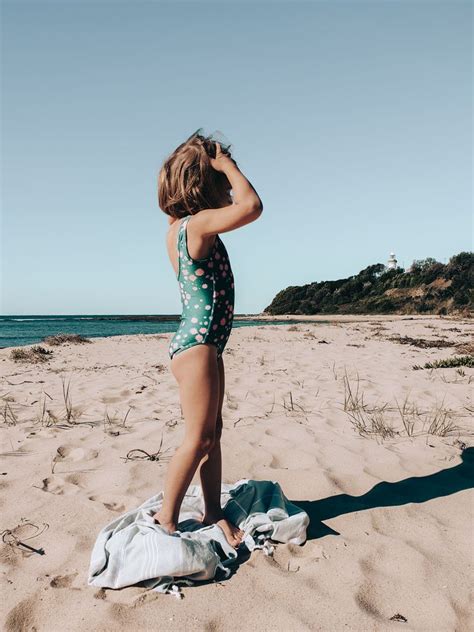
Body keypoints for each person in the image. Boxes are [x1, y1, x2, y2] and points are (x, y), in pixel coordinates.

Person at [154, 131, 263, 547]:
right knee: (199, 437)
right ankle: (166, 519)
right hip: (198, 345)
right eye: (219, 178)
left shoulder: (180, 226)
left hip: (203, 344)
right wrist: (227, 165)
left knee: (212, 434)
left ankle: (212, 511)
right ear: (206, 183)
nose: (227, 186)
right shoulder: (197, 225)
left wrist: (200, 160)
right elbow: (251, 206)